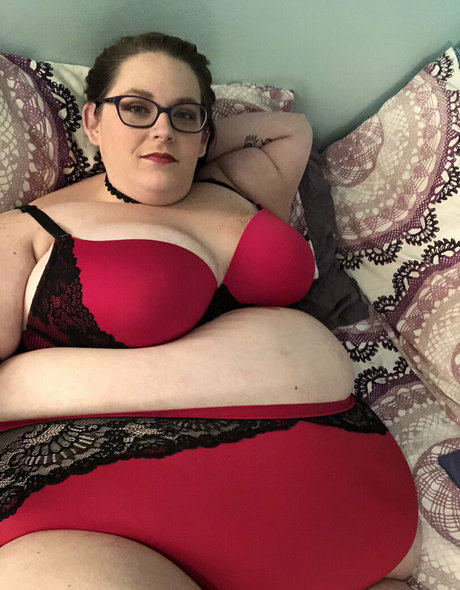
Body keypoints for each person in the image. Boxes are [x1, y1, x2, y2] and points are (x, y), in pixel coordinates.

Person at [0, 32, 419, 590]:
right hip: (125, 502)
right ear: (92, 121)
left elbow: (291, 130)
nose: (162, 130)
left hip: (338, 491)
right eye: (136, 108)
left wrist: (194, 147)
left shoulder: (235, 184)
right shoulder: (28, 229)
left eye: (184, 114)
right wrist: (40, 386)